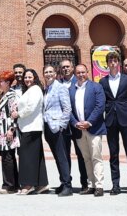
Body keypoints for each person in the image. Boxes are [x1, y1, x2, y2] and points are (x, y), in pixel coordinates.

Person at [101, 51, 127, 195]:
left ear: (119, 63)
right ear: (107, 63)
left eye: (115, 60)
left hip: (126, 120)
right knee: (113, 154)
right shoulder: (103, 82)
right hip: (111, 121)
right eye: (110, 61)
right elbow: (103, 102)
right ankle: (115, 184)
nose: (113, 63)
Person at [70, 62, 106, 196]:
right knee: (86, 158)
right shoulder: (71, 90)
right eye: (78, 73)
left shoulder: (96, 87)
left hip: (93, 128)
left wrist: (89, 122)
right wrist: (75, 123)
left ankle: (99, 185)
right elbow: (69, 110)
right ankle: (91, 185)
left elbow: (100, 106)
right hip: (79, 129)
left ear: (87, 73)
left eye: (82, 72)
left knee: (96, 156)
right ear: (75, 74)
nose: (80, 75)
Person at [41, 63, 73, 195]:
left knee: (62, 157)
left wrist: (61, 126)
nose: (48, 74)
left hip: (58, 128)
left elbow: (67, 109)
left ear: (55, 74)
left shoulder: (61, 88)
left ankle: (67, 185)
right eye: (46, 72)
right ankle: (63, 182)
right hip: (48, 128)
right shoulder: (46, 89)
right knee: (56, 157)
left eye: (50, 72)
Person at [16, 68, 48, 194]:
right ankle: (42, 183)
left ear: (34, 78)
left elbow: (31, 108)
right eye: (25, 77)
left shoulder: (35, 90)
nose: (27, 79)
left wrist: (17, 114)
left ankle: (28, 185)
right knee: (36, 157)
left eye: (30, 77)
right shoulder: (30, 90)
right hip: (29, 127)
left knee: (26, 157)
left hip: (31, 127)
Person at [57, 59, 88, 190]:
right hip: (63, 126)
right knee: (64, 155)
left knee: (82, 154)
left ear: (72, 68)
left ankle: (85, 183)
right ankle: (65, 182)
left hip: (77, 124)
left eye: (68, 67)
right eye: (63, 67)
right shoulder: (57, 84)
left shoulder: (79, 82)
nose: (65, 69)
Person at [0, 70, 21, 193]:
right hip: (2, 130)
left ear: (8, 83)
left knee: (8, 157)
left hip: (8, 130)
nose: (0, 83)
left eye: (2, 81)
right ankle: (13, 184)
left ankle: (9, 185)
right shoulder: (3, 94)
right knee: (7, 157)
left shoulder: (12, 96)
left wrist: (11, 129)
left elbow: (14, 114)